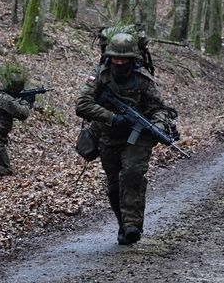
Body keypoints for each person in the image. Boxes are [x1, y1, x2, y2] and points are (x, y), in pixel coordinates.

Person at [75, 33, 179, 245]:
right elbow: (82, 104)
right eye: (116, 58)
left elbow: (160, 109)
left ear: (132, 59)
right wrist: (112, 117)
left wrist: (158, 126)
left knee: (132, 174)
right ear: (109, 57)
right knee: (114, 186)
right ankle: (123, 224)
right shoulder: (100, 76)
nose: (119, 62)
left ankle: (133, 225)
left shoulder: (143, 80)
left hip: (138, 136)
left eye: (124, 59)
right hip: (107, 135)